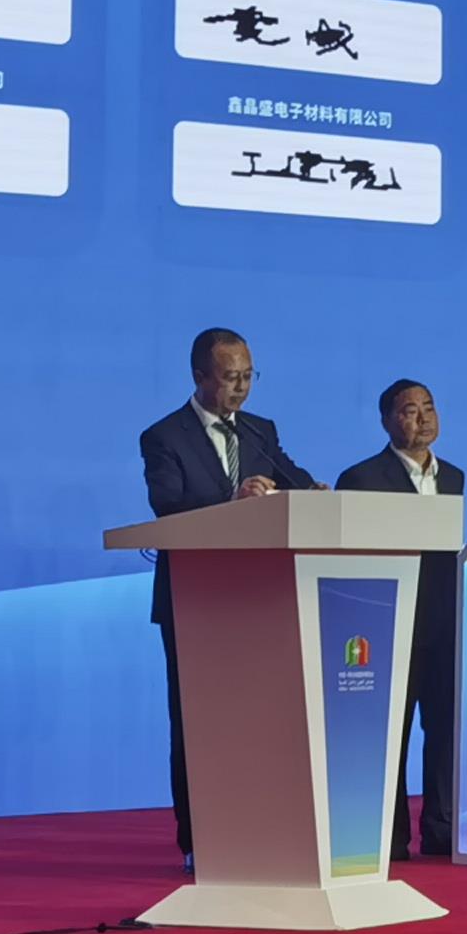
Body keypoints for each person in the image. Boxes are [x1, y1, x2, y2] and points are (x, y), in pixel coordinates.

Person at [137, 327, 315, 857]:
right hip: (194, 601)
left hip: (259, 601)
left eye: (248, 376)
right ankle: (198, 840)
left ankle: (256, 830)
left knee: (257, 721)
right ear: (199, 377)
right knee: (196, 723)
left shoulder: (260, 431)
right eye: (230, 377)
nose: (241, 387)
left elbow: (294, 480)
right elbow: (168, 508)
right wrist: (233, 502)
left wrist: (313, 495)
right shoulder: (163, 437)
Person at [335, 379, 466, 859]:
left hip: (444, 623)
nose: (423, 418)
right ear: (387, 421)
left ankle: (440, 827)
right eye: (410, 410)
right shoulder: (361, 478)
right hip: (387, 625)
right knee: (390, 734)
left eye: (429, 407)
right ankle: (388, 835)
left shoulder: (453, 477)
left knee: (444, 730)